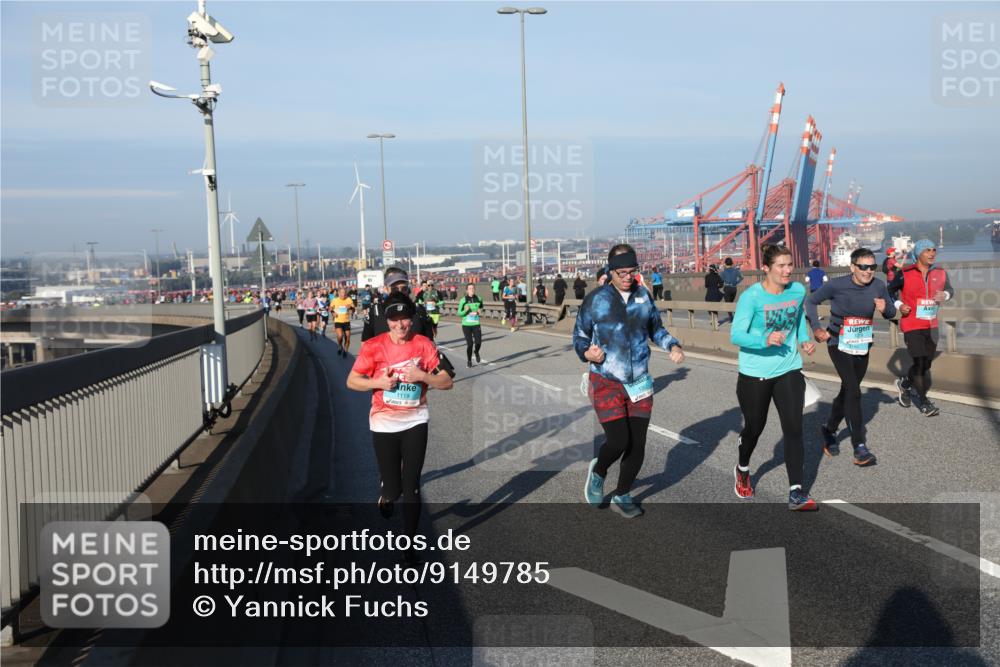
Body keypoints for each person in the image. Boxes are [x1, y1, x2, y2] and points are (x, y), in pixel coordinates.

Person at [575, 244, 685, 518]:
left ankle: (622, 493)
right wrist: (587, 352)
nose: (627, 277)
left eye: (632, 271)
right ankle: (599, 469)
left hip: (639, 383)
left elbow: (656, 329)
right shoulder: (595, 300)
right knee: (619, 440)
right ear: (610, 271)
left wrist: (672, 346)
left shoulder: (643, 297)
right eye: (622, 272)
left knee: (638, 444)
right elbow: (579, 336)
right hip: (606, 380)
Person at [347, 292, 454, 553]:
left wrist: (423, 376)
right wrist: (378, 383)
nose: (400, 325)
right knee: (394, 490)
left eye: (404, 318)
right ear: (387, 321)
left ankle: (408, 546)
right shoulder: (373, 346)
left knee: (412, 486)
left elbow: (447, 382)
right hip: (383, 423)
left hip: (416, 420)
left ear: (411, 319)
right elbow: (352, 381)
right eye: (394, 320)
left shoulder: (423, 345)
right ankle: (386, 494)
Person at [730, 244, 818, 511]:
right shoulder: (752, 297)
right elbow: (736, 335)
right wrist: (764, 339)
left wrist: (804, 339)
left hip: (788, 368)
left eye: (789, 264)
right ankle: (743, 468)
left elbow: (798, 317)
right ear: (766, 269)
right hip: (755, 373)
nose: (787, 270)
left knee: (794, 428)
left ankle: (796, 493)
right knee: (754, 428)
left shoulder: (797, 290)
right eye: (780, 265)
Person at [806, 247, 895, 466]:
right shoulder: (837, 285)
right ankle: (859, 447)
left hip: (862, 345)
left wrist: (885, 309)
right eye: (863, 267)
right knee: (854, 391)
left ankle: (829, 429)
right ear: (852, 267)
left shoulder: (878, 286)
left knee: (848, 389)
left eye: (872, 267)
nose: (868, 271)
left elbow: (892, 312)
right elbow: (810, 301)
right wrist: (817, 328)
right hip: (838, 343)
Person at [888, 239, 953, 417]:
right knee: (919, 361)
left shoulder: (941, 273)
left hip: (931, 325)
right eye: (927, 250)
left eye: (933, 250)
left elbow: (950, 290)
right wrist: (900, 305)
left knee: (926, 364)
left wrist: (945, 295)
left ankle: (905, 384)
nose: (932, 253)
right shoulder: (905, 273)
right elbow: (889, 291)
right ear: (918, 254)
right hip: (912, 324)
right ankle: (924, 402)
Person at [362, 267, 435, 342]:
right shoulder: (375, 311)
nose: (399, 292)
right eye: (394, 289)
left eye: (404, 288)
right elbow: (365, 346)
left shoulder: (419, 310)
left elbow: (430, 345)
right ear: (386, 289)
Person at [458, 283, 484, 367]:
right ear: (467, 290)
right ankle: (469, 360)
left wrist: (480, 311)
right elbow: (459, 313)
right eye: (470, 288)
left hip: (476, 324)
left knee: (478, 342)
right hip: (466, 325)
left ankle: (476, 352)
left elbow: (481, 308)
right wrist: (465, 311)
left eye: (473, 288)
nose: (471, 290)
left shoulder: (479, 298)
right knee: (470, 344)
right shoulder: (463, 300)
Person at [331, 286, 355, 356]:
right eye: (341, 293)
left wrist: (350, 307)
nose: (343, 294)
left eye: (344, 293)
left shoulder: (348, 299)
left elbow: (354, 308)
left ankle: (345, 351)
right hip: (338, 320)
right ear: (339, 293)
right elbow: (330, 308)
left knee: (347, 338)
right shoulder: (335, 300)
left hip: (346, 321)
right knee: (340, 335)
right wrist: (333, 312)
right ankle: (339, 346)